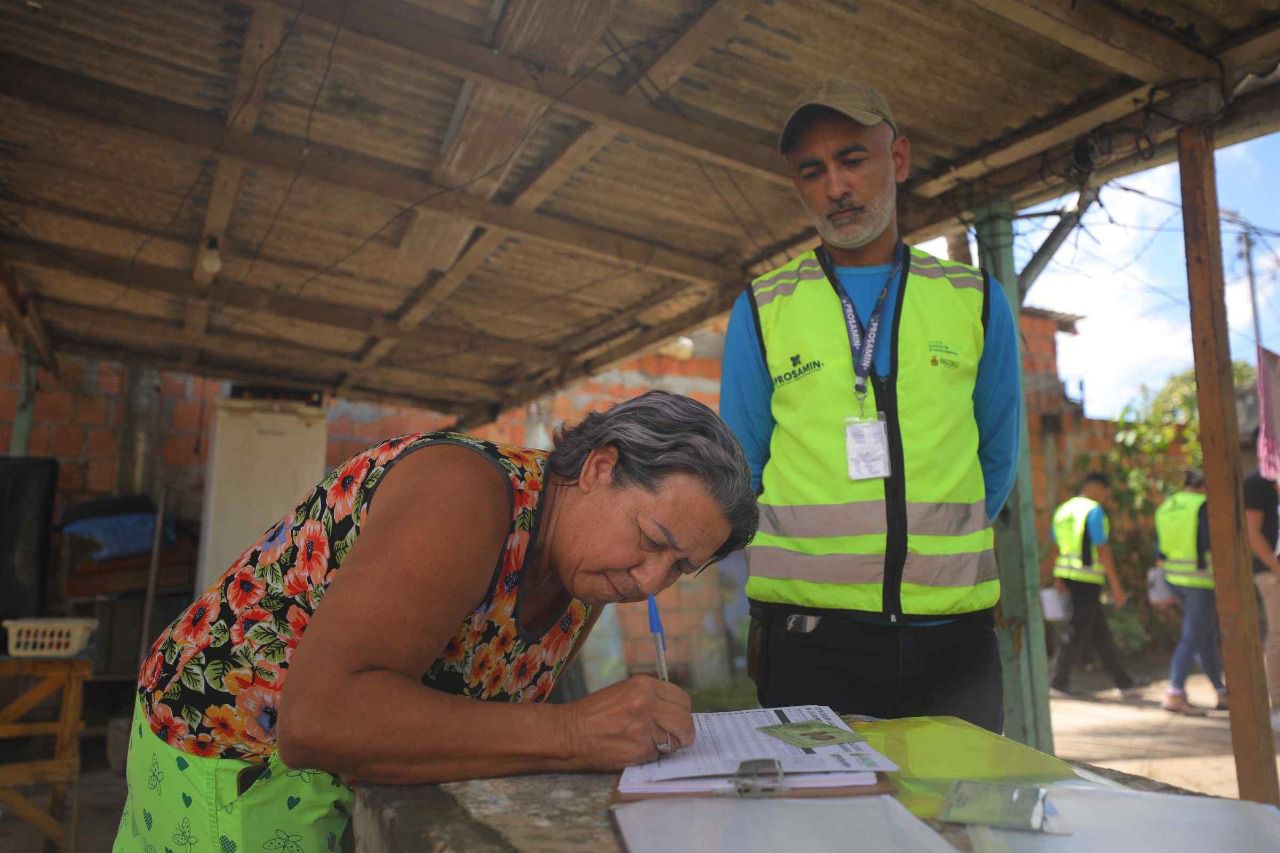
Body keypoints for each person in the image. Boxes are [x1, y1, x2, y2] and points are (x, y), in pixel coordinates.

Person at [113, 392, 757, 852]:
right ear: (598, 468)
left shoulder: (582, 577)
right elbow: (318, 721)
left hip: (355, 784)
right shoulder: (465, 493)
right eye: (651, 538)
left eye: (679, 568)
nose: (649, 580)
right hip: (233, 762)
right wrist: (573, 732)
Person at [719, 80, 1022, 734]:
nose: (836, 186)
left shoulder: (974, 299)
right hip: (808, 643)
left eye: (852, 159)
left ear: (899, 159)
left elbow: (996, 458)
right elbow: (739, 471)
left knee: (959, 829)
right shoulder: (763, 311)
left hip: (954, 644)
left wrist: (931, 563)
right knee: (823, 832)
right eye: (813, 170)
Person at [1045, 472, 1135, 696]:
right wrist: (1116, 586)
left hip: (1067, 575)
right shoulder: (1093, 511)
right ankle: (1057, 681)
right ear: (1096, 487)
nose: (1104, 497)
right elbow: (1102, 549)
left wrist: (1057, 578)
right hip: (1086, 578)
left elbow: (1055, 547)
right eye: (1104, 491)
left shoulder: (1063, 510)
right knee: (1076, 630)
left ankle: (1123, 681)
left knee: (1098, 631)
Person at [1155, 470, 1226, 713]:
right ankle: (1174, 692)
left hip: (1173, 577)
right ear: (1205, 486)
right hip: (1199, 580)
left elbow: (1159, 549)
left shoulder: (1166, 506)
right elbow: (1212, 541)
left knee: (1204, 636)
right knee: (1192, 636)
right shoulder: (1202, 505)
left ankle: (1220, 691)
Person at [1244, 452, 1280, 729]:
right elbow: (1252, 532)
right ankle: (1277, 706)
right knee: (1278, 635)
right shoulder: (1258, 482)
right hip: (1271, 572)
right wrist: (1276, 568)